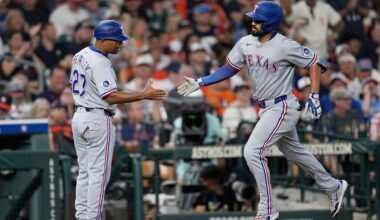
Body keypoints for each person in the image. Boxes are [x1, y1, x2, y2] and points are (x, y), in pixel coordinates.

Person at [177, 2, 348, 219]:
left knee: (252, 151)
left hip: (283, 105)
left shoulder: (285, 45)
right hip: (266, 108)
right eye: (253, 19)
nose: (253, 22)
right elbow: (229, 68)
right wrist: (201, 81)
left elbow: (315, 63)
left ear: (270, 23)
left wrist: (314, 96)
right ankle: (333, 186)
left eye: (258, 20)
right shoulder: (246, 42)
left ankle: (267, 208)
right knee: (295, 152)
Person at [70, 20, 167, 220]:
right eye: (116, 41)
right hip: (97, 117)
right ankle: (92, 218)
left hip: (80, 115)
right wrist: (142, 95)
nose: (120, 44)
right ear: (103, 40)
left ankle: (82, 216)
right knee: (99, 174)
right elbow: (110, 96)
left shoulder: (80, 54)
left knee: (85, 171)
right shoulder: (101, 61)